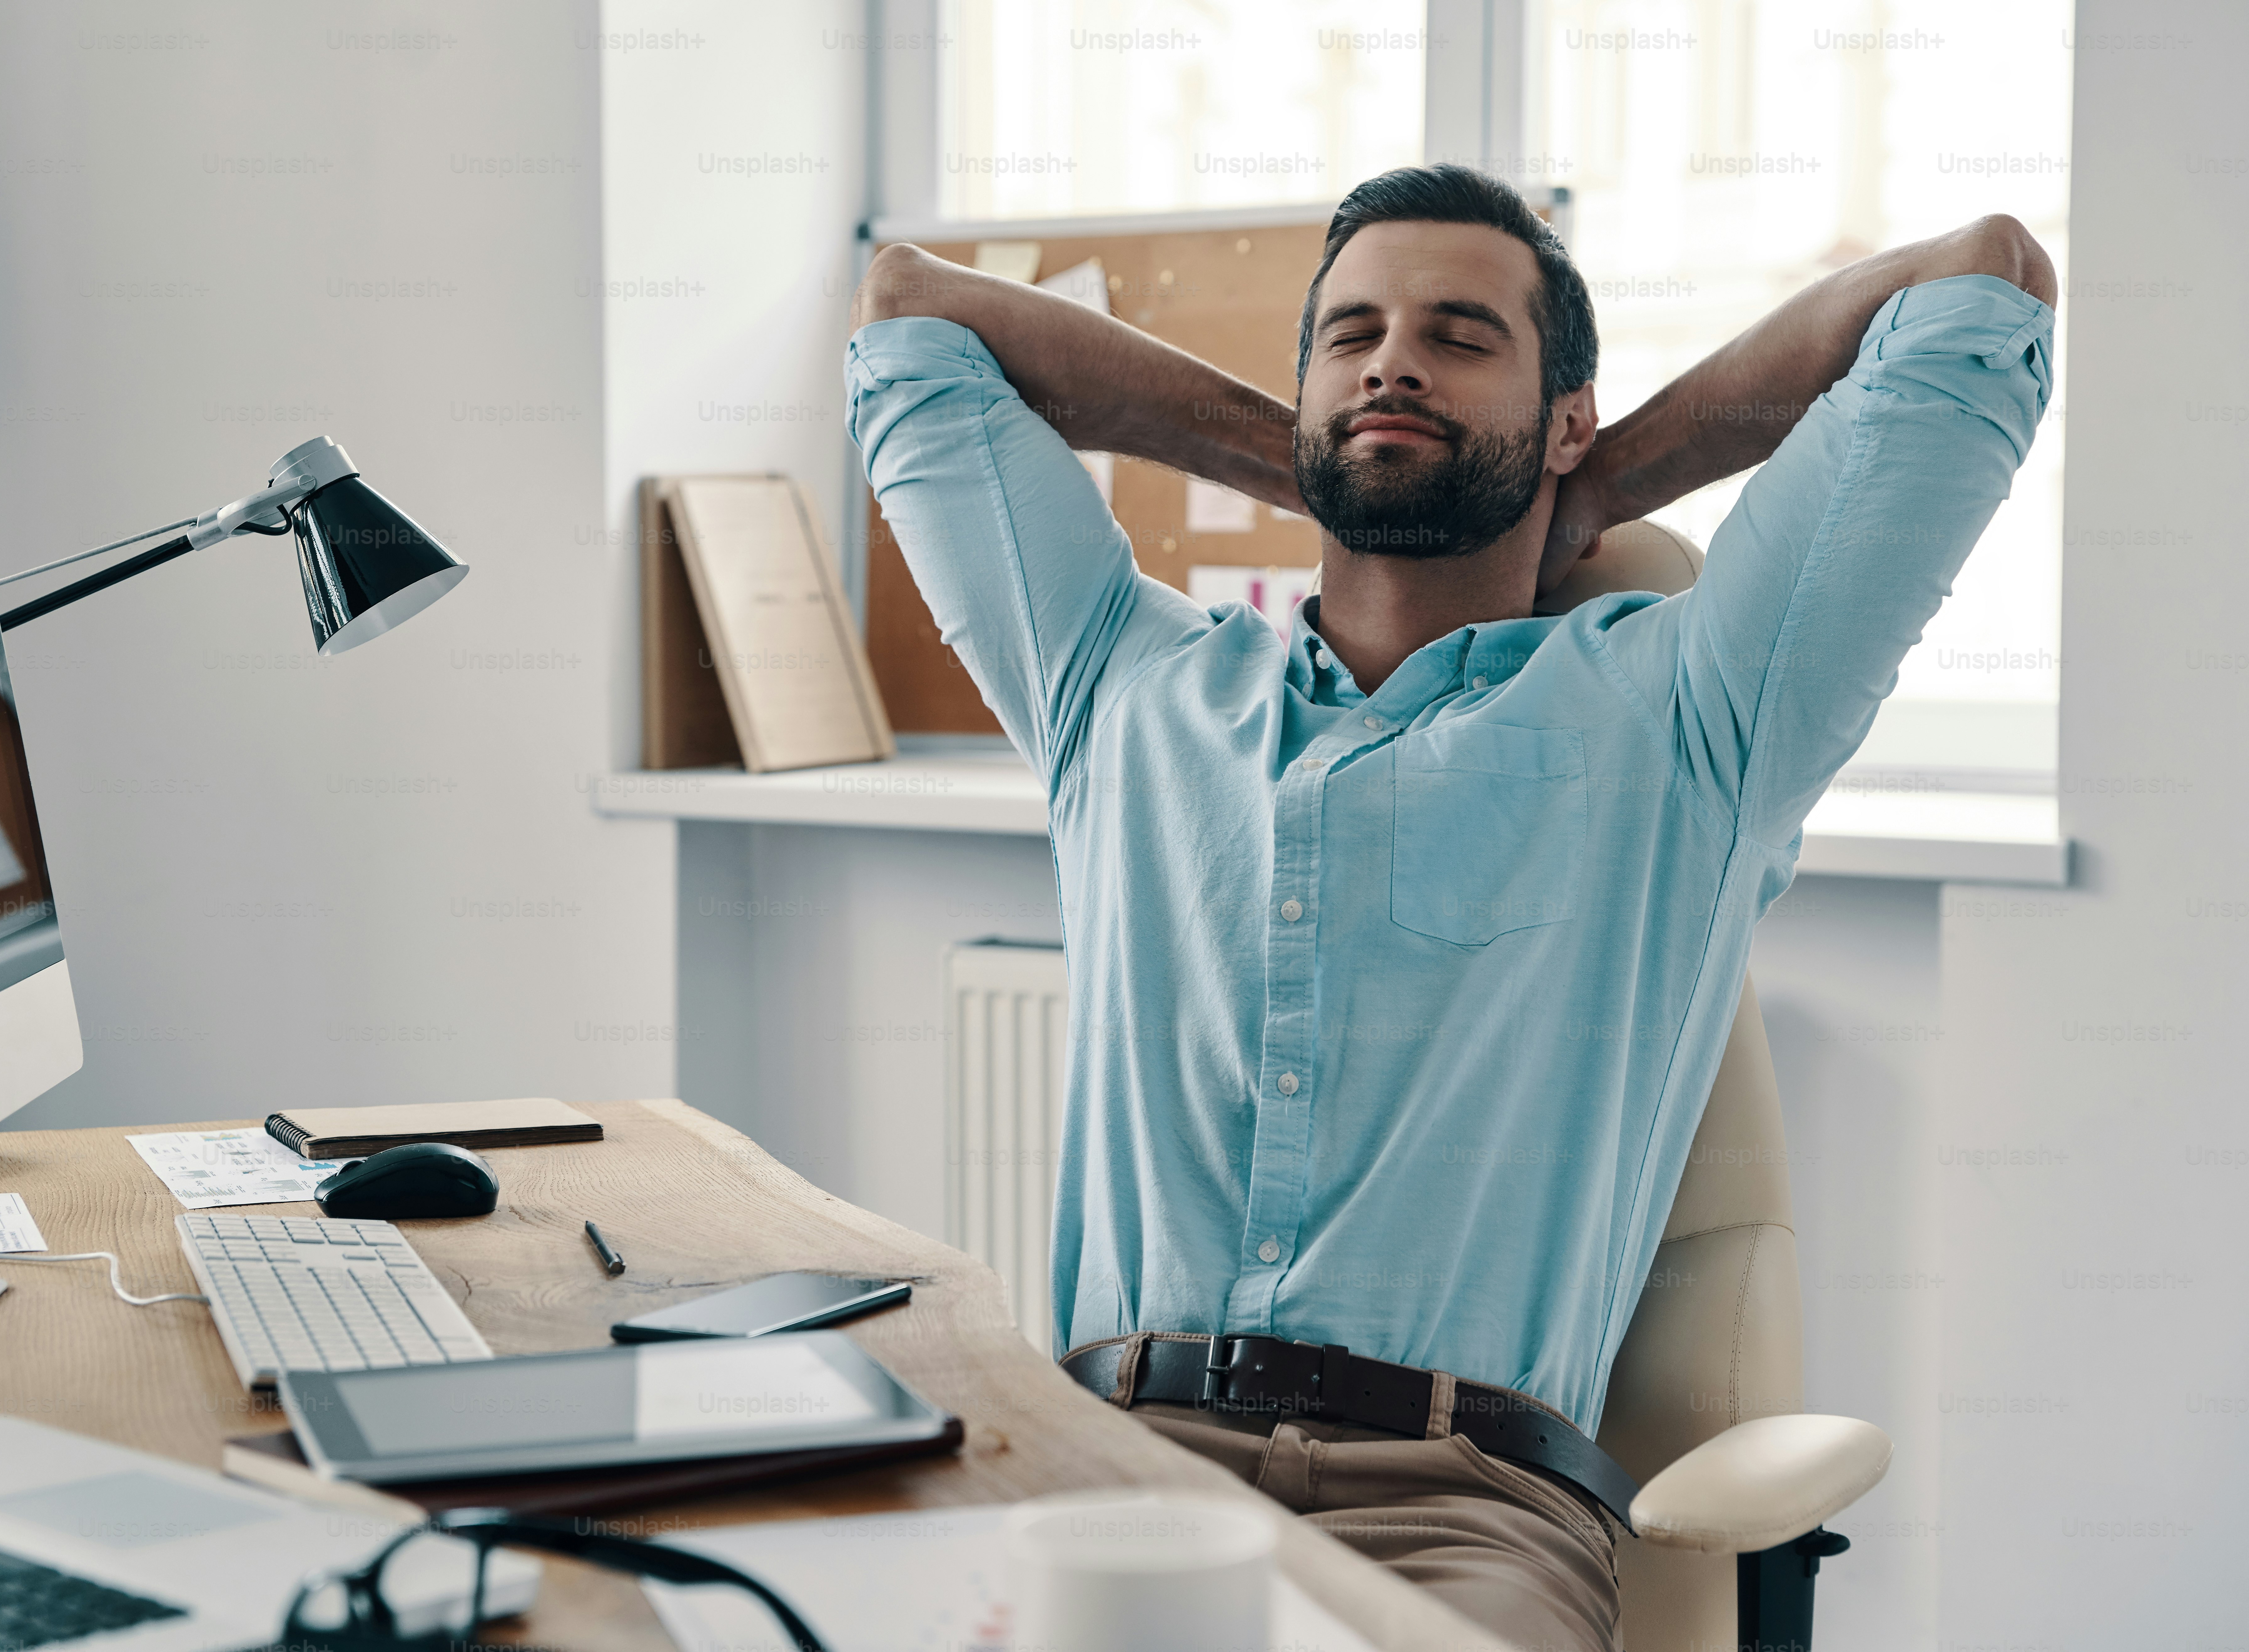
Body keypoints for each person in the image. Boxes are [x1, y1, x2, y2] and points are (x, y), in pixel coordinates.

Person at [847, 164, 2055, 1650]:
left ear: (1564, 413)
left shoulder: (1694, 715)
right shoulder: (1118, 684)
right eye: (1349, 337)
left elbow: (1977, 289)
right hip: (1111, 1459)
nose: (1392, 359)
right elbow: (912, 314)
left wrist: (1602, 481)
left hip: (1459, 1506)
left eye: (1459, 336)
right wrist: (1327, 448)